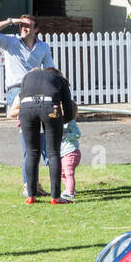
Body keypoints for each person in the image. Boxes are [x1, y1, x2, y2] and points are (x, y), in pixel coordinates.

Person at [0, 14, 57, 195]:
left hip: (36, 89)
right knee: (28, 139)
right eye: (22, 26)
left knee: (40, 138)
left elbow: (50, 70)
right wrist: (11, 21)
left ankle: (35, 183)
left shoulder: (43, 47)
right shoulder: (11, 42)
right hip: (17, 91)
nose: (24, 29)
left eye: (28, 26)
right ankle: (29, 185)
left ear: (36, 29)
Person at [15, 66, 77, 203]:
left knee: (31, 152)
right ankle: (55, 197)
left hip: (26, 109)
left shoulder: (27, 77)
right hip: (51, 108)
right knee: (53, 153)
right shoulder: (60, 79)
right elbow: (68, 110)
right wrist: (60, 123)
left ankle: (31, 195)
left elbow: (22, 96)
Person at [59, 117, 82, 203]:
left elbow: (77, 134)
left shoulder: (70, 122)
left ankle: (70, 193)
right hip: (62, 153)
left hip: (71, 152)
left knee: (69, 173)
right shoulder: (57, 122)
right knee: (62, 173)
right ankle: (69, 188)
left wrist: (65, 134)